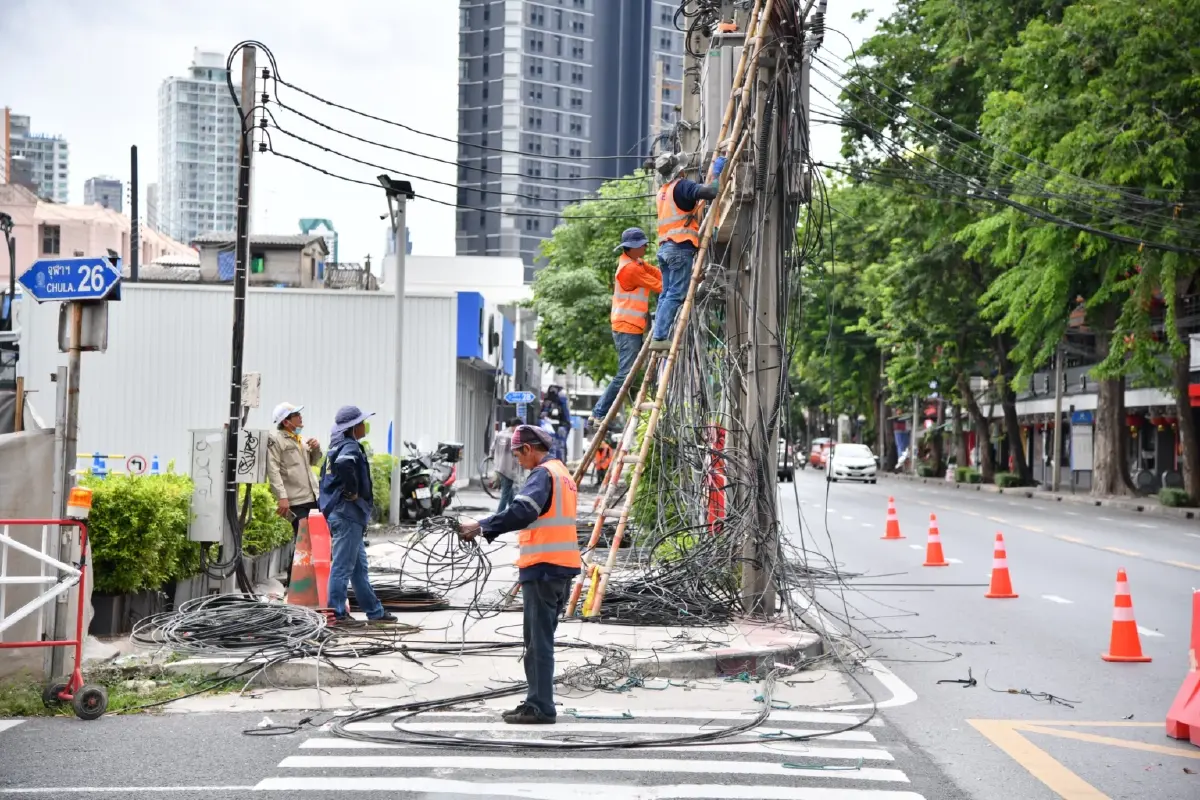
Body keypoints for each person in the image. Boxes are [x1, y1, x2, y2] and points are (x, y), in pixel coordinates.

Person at [458, 424, 581, 724]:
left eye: (517, 455)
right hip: (559, 569)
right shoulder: (562, 474)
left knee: (537, 642)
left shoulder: (542, 475)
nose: (517, 462)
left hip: (543, 569)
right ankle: (537, 700)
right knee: (542, 640)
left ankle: (540, 706)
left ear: (528, 449)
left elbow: (524, 511)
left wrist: (482, 526)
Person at [317, 405, 397, 625]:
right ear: (353, 427)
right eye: (362, 423)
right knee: (342, 566)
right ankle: (337, 614)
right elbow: (345, 464)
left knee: (359, 568)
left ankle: (375, 611)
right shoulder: (350, 447)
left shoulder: (337, 446)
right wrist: (352, 491)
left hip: (346, 515)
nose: (365, 426)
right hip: (347, 515)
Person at [648, 152, 726, 350]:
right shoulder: (681, 186)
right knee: (675, 294)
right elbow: (710, 192)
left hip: (665, 248)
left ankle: (658, 335)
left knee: (666, 294)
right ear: (680, 170)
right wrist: (717, 173)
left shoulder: (663, 191)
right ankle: (659, 337)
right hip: (679, 247)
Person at [589, 228, 662, 427]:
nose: (646, 247)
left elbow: (656, 273)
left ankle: (598, 412)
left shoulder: (636, 262)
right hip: (626, 327)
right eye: (642, 245)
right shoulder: (630, 269)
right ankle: (599, 412)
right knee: (625, 374)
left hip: (631, 327)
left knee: (627, 373)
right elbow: (659, 286)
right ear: (631, 248)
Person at [266, 402, 323, 585]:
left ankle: (304, 584)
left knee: (310, 543)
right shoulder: (276, 440)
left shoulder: (300, 439)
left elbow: (314, 462)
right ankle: (295, 585)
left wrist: (315, 448)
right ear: (286, 421)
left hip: (312, 497)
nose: (300, 417)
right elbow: (273, 470)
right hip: (296, 500)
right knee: (303, 543)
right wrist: (282, 496)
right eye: (296, 415)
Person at [492, 417, 522, 513]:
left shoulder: (500, 434)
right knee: (505, 493)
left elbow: (492, 449)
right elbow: (517, 453)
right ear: (516, 426)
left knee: (509, 492)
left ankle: (513, 512)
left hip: (499, 467)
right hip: (509, 469)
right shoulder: (514, 437)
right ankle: (499, 514)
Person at [541, 385, 571, 461]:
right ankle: (559, 462)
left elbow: (543, 414)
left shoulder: (557, 400)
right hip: (558, 425)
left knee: (558, 446)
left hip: (561, 425)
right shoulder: (557, 400)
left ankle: (560, 462)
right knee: (558, 446)